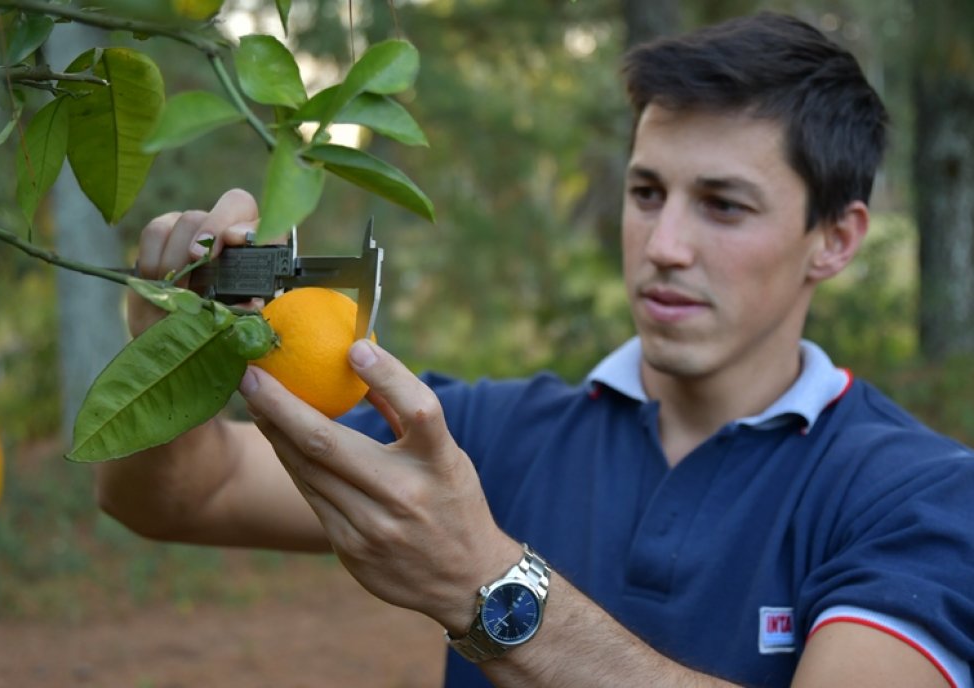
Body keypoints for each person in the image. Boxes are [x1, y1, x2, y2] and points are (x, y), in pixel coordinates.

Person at [97, 12, 974, 688]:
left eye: (724, 204)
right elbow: (185, 495)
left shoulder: (919, 495)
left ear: (836, 238)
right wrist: (166, 344)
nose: (664, 241)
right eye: (646, 191)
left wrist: (485, 584)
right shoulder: (482, 435)